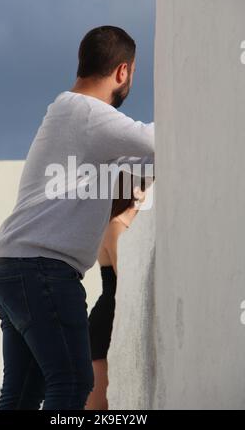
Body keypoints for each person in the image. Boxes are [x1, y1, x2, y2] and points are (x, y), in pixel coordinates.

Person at [0, 25, 155, 410]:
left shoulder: (72, 115)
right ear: (123, 71)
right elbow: (156, 141)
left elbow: (144, 159)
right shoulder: (88, 112)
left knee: (24, 394)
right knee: (74, 381)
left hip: (13, 267)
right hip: (41, 269)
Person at [85, 172, 153, 410]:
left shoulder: (128, 227)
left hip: (115, 316)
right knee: (98, 404)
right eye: (148, 186)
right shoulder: (116, 225)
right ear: (136, 191)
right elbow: (124, 274)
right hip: (107, 320)